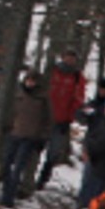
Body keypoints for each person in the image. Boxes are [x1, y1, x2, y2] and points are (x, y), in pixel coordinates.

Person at [0, 71, 52, 208]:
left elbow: (47, 120)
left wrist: (42, 138)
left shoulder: (43, 99)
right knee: (5, 165)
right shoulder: (18, 94)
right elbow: (11, 112)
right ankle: (6, 191)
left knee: (18, 169)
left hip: (30, 137)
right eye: (28, 80)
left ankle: (8, 198)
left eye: (33, 81)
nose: (30, 83)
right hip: (15, 134)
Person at [37, 49, 86, 188]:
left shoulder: (77, 77)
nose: (69, 60)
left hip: (61, 121)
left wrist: (69, 119)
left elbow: (78, 100)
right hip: (42, 118)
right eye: (67, 57)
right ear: (62, 57)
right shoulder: (52, 71)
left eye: (72, 58)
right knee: (34, 147)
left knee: (53, 152)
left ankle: (43, 179)